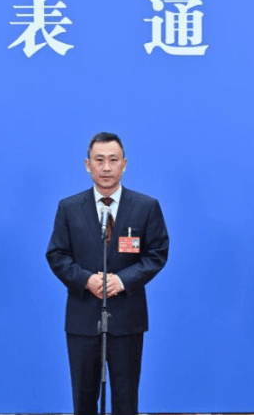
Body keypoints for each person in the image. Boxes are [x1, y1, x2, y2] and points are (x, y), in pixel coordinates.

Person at [46, 132, 169, 415]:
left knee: (126, 398)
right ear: (87, 165)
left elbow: (157, 254)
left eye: (113, 160)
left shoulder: (146, 207)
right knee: (84, 397)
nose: (106, 168)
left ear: (124, 164)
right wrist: (86, 280)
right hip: (82, 317)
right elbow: (57, 255)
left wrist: (123, 280)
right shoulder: (69, 208)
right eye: (99, 160)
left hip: (127, 318)